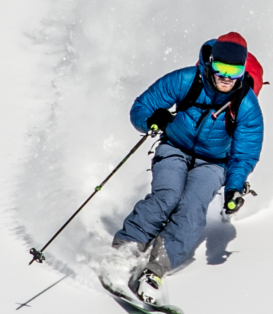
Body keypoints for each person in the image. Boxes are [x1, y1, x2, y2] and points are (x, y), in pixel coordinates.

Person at [110, 34, 264, 304]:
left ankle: (154, 271)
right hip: (175, 147)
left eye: (235, 71)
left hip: (214, 163)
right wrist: (151, 119)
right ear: (211, 64)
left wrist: (234, 189)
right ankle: (124, 251)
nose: (227, 77)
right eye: (222, 69)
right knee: (167, 196)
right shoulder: (185, 80)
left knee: (192, 208)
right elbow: (141, 107)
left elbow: (244, 154)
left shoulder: (247, 105)